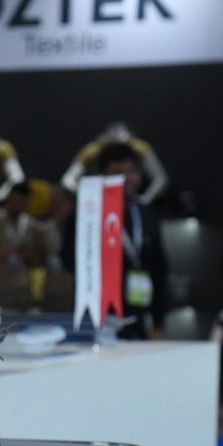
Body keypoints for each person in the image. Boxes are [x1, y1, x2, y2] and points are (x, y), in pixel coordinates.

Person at [96, 141, 169, 338]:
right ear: (104, 177)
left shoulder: (147, 214)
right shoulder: (91, 216)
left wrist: (159, 322)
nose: (129, 179)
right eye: (119, 173)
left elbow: (159, 269)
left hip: (140, 315)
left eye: (133, 172)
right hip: (102, 320)